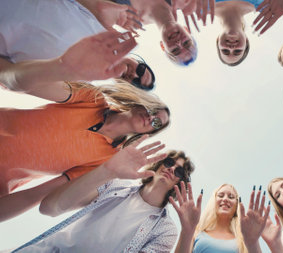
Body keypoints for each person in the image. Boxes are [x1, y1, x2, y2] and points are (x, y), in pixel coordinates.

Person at [0, 31, 170, 221]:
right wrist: (63, 67)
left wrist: (107, 172)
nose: (151, 117)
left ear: (149, 132)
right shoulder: (91, 98)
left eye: (156, 123)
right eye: (153, 110)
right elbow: (22, 83)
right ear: (142, 102)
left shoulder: (108, 161)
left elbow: (41, 199)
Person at [11, 149, 195, 252]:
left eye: (179, 171)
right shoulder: (114, 185)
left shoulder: (166, 229)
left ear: (180, 182)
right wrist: (105, 171)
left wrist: (188, 232)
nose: (171, 169)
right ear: (160, 163)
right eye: (170, 162)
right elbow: (50, 208)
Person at [0, 0, 156, 89]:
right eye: (141, 70)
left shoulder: (80, 83)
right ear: (139, 61)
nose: (134, 75)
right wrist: (101, 7)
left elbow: (11, 78)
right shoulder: (109, 27)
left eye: (136, 83)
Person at [170, 183, 270, 253]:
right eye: (221, 195)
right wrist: (186, 230)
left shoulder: (244, 240)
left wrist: (253, 242)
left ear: (236, 206)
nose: (225, 199)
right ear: (213, 201)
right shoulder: (196, 233)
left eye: (231, 197)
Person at [214, 0, 262, 66]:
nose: (231, 47)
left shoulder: (199, 5)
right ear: (246, 40)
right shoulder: (266, 5)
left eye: (225, 51)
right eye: (237, 51)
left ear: (218, 40)